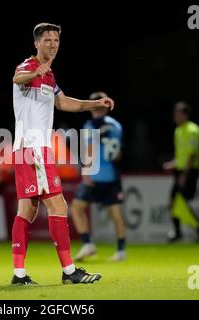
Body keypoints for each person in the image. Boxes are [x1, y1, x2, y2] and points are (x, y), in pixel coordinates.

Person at [10, 23, 114, 285]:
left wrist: (94, 105)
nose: (52, 44)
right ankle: (69, 272)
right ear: (36, 43)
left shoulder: (50, 76)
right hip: (33, 148)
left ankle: (19, 275)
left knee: (27, 210)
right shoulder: (29, 66)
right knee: (59, 205)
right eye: (47, 40)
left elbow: (64, 102)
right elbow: (17, 78)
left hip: (28, 149)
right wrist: (35, 72)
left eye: (56, 40)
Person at [71, 92, 127, 262]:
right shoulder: (116, 126)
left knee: (77, 208)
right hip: (112, 175)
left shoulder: (91, 125)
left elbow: (90, 150)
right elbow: (118, 155)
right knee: (116, 214)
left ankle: (88, 244)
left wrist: (86, 171)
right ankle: (121, 251)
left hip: (95, 174)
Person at [162, 101, 199, 242]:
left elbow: (192, 155)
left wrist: (184, 175)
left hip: (190, 171)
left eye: (178, 114)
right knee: (173, 202)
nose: (175, 116)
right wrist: (173, 164)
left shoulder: (193, 130)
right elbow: (181, 155)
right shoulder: (178, 130)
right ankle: (178, 232)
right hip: (180, 171)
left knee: (182, 203)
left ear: (185, 114)